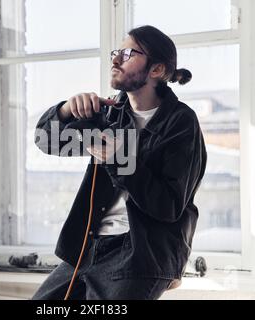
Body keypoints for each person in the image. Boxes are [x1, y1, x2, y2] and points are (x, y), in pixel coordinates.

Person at [32, 25, 207, 300]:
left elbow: (168, 205)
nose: (116, 59)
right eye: (117, 52)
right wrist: (66, 110)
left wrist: (119, 160)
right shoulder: (110, 114)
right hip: (88, 246)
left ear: (157, 70)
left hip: (140, 254)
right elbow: (46, 141)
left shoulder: (180, 123)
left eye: (128, 53)